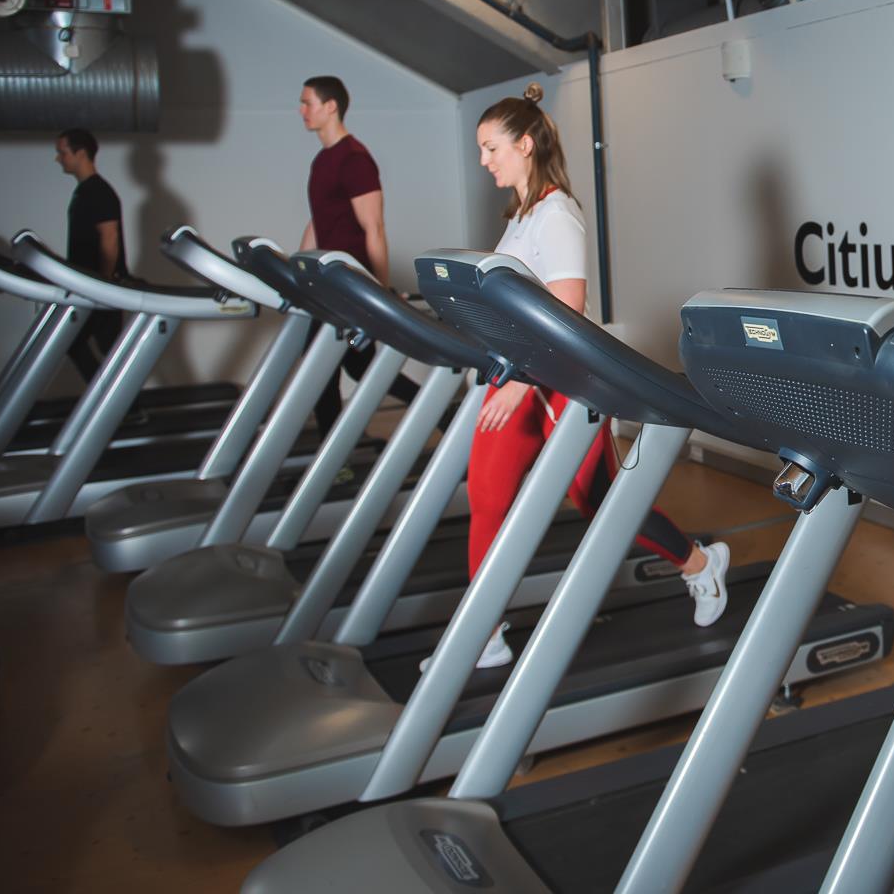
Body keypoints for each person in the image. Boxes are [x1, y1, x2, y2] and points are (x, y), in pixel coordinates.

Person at [438, 83, 731, 672]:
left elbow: (567, 313)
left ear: (524, 145)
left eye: (491, 148)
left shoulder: (556, 215)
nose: (483, 160)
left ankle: (699, 563)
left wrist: (523, 384)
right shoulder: (519, 217)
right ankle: (484, 632)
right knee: (488, 497)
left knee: (598, 501)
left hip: (560, 386)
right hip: (519, 378)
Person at [297, 75, 418, 431]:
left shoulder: (354, 159)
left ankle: (333, 462)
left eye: (308, 103)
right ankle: (444, 415)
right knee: (357, 365)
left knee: (319, 368)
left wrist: (381, 292)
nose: (301, 110)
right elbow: (319, 221)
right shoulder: (323, 161)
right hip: (328, 286)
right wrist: (297, 269)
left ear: (330, 106)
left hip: (350, 289)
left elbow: (374, 228)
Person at [54, 128, 130, 382]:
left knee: (82, 345)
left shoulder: (98, 191)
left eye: (62, 152)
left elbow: (110, 237)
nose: (58, 158)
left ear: (81, 153)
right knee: (104, 351)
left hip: (101, 287)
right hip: (90, 286)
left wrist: (105, 282)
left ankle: (121, 407)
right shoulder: (84, 191)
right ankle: (121, 406)